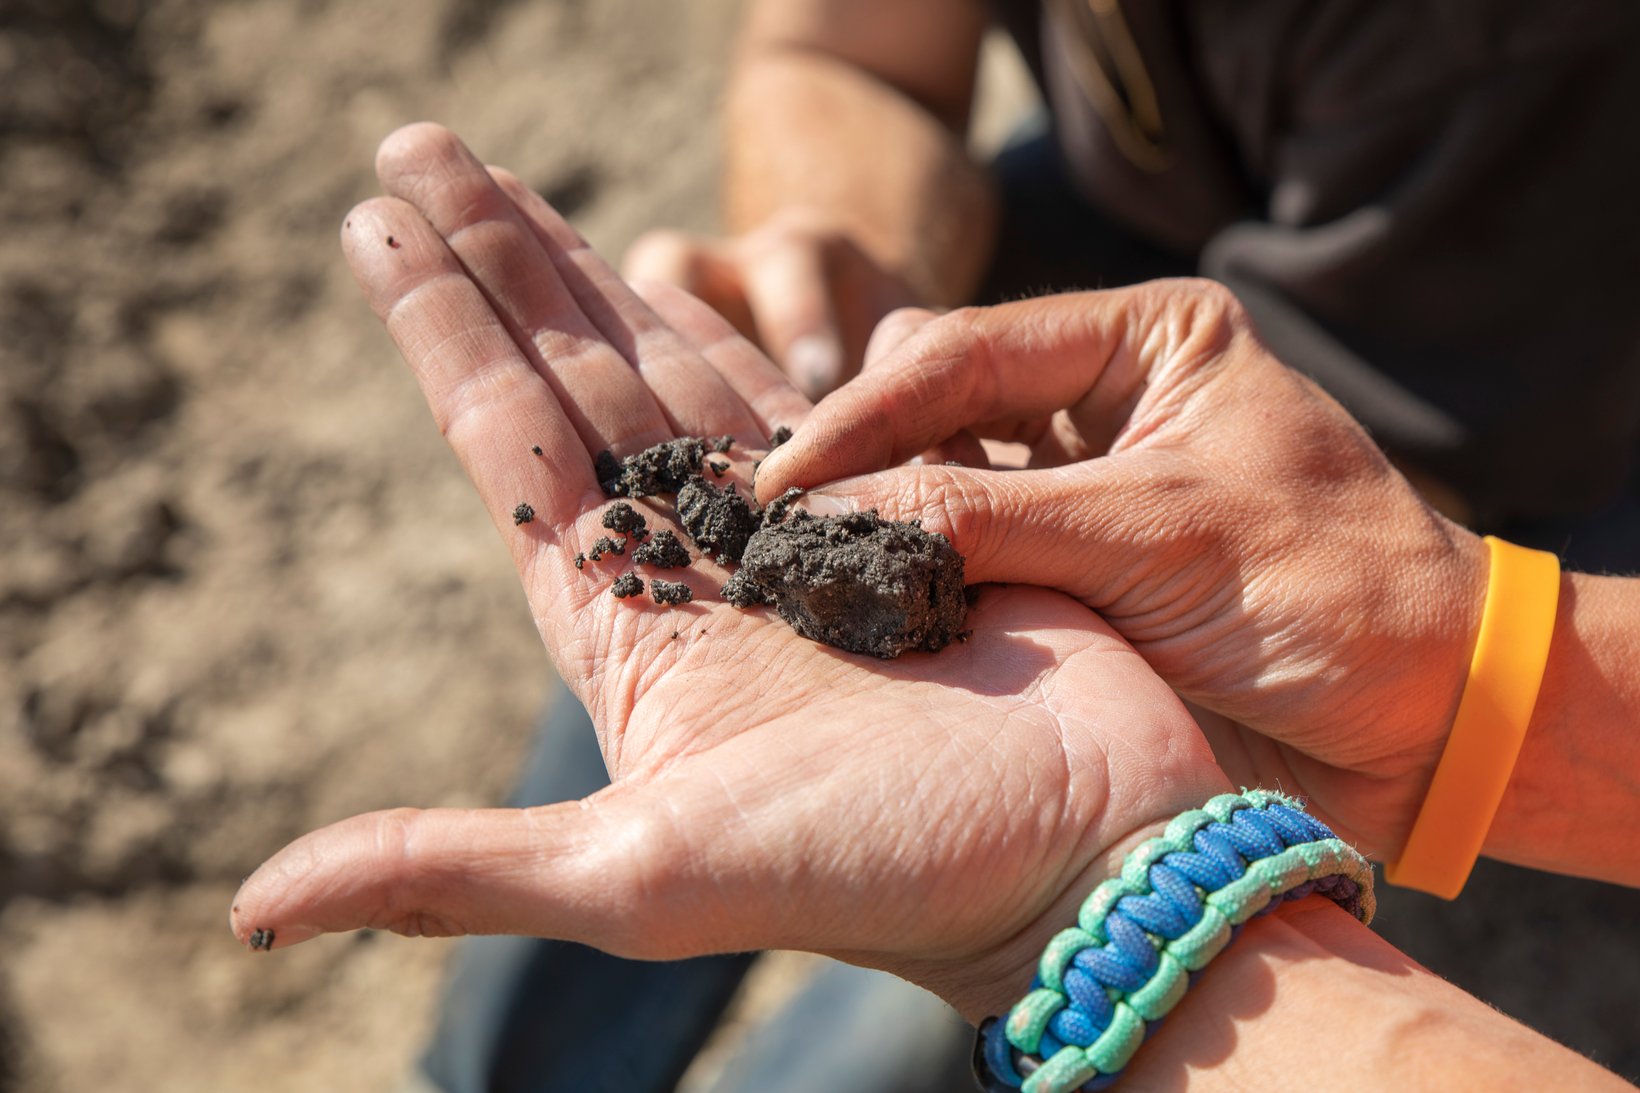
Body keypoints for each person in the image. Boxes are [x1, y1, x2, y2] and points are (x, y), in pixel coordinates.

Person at [231, 124, 1639, 1089]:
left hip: (1488, 454)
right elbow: (852, 46)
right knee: (617, 610)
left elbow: (1460, 402)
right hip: (1151, 366)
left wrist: (1100, 902)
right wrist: (835, 270)